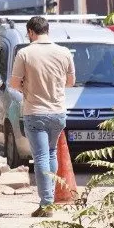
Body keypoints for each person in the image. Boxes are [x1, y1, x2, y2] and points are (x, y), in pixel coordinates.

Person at [9, 15, 77, 217]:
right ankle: (51, 199)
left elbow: (14, 83)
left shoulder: (25, 53)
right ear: (48, 31)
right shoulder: (64, 52)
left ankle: (46, 204)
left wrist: (27, 88)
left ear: (30, 32)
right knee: (51, 153)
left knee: (40, 157)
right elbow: (71, 81)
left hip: (35, 112)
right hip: (58, 113)